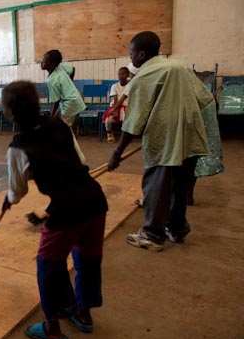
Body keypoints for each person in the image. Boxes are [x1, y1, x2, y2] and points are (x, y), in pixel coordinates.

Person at [1, 80, 108, 339]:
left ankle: (52, 328)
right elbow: (82, 163)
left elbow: (18, 191)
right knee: (88, 259)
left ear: (11, 114)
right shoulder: (59, 124)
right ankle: (83, 313)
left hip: (67, 211)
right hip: (95, 202)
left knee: (49, 265)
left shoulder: (17, 147)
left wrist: (8, 199)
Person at [108, 31, 213, 251]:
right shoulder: (180, 66)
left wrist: (117, 153)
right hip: (191, 134)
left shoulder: (143, 77)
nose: (131, 59)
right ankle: (176, 230)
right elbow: (205, 98)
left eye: (132, 54)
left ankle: (152, 235)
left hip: (165, 139)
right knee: (181, 185)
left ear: (142, 54)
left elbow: (133, 123)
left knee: (157, 186)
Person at [41, 50, 86, 129]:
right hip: (75, 100)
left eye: (44, 61)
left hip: (69, 104)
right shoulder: (59, 66)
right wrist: (69, 84)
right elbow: (73, 69)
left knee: (65, 130)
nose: (41, 63)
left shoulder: (52, 80)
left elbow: (56, 101)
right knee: (67, 129)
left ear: (52, 64)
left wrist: (52, 116)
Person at [101, 67, 131, 143]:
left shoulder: (130, 86)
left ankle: (125, 136)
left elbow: (122, 99)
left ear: (127, 75)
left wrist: (115, 109)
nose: (121, 76)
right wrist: (115, 110)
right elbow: (115, 99)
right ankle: (109, 133)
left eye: (123, 74)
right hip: (115, 105)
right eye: (119, 74)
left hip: (125, 106)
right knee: (108, 120)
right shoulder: (114, 86)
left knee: (126, 119)